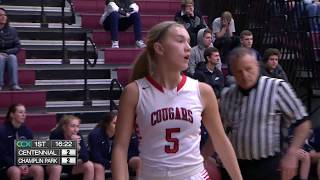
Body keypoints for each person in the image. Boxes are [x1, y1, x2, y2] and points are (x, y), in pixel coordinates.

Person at [111, 21, 242, 180]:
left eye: (188, 41)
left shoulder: (203, 91)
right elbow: (120, 148)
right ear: (159, 48)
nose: (188, 47)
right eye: (180, 41)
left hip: (194, 175)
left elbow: (221, 141)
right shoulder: (134, 92)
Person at [219, 47, 311, 180]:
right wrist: (204, 156)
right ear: (232, 72)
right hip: (234, 165)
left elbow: (303, 122)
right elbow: (220, 132)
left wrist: (291, 153)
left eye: (248, 69)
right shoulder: (227, 95)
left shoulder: (277, 87)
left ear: (257, 66)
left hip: (266, 165)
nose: (244, 75)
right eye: (239, 71)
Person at [88, 112, 141, 180]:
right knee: (97, 167)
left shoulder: (120, 134)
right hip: (98, 161)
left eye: (119, 123)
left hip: (112, 161)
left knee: (122, 163)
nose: (118, 126)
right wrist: (110, 163)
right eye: (115, 123)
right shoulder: (95, 135)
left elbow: (129, 151)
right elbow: (94, 156)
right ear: (107, 124)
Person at [0, 103, 44, 180]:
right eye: (20, 112)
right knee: (16, 171)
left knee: (38, 169)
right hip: (7, 165)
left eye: (24, 112)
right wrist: (17, 165)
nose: (24, 115)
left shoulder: (27, 131)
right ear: (12, 115)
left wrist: (26, 165)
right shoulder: (2, 131)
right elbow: (3, 155)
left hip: (23, 164)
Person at [46, 115, 94, 180]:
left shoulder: (78, 135)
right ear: (64, 127)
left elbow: (86, 158)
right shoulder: (56, 134)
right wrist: (70, 144)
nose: (76, 130)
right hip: (54, 165)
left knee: (89, 165)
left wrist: (77, 147)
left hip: (70, 165)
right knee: (57, 167)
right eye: (72, 126)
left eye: (77, 126)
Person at [0, 8, 22, 91]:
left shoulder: (12, 31)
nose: (3, 17)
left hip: (7, 55)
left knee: (12, 57)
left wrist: (6, 52)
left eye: (4, 15)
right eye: (0, 15)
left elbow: (18, 46)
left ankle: (14, 84)